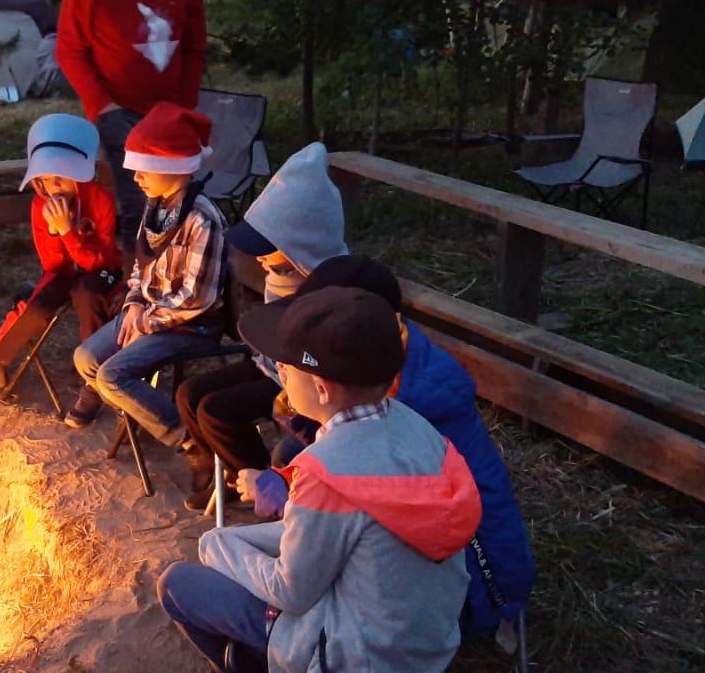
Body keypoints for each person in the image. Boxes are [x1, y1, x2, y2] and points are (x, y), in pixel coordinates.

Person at [158, 286, 483, 672]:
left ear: (322, 389)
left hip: (357, 658)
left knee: (177, 584)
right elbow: (334, 534)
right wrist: (235, 540)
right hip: (422, 644)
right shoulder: (417, 428)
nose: (277, 371)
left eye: (284, 366)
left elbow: (290, 590)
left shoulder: (326, 472)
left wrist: (215, 544)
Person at [238, 255, 537, 639]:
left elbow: (350, 505)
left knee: (297, 574)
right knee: (288, 458)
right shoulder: (395, 367)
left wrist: (281, 494)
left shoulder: (412, 411)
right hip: (463, 560)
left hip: (474, 588)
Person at [174, 143, 347, 510]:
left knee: (216, 411)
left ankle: (263, 484)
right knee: (189, 394)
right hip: (270, 364)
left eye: (268, 247)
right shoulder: (280, 272)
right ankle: (226, 473)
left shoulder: (329, 285)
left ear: (301, 244)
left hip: (300, 381)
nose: (259, 256)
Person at [69, 102, 224, 444]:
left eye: (144, 170)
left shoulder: (201, 220)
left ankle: (189, 440)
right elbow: (141, 266)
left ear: (174, 167)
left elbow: (196, 298)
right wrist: (135, 304)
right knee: (85, 358)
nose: (136, 178)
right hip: (149, 312)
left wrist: (144, 323)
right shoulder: (155, 207)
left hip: (190, 325)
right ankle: (142, 412)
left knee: (112, 376)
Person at [56, 0, 207, 254]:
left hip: (171, 114)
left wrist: (185, 105)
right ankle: (138, 279)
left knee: (180, 204)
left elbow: (194, 44)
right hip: (119, 111)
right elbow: (69, 48)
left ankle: (177, 275)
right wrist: (103, 106)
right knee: (139, 210)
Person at [0, 114, 122, 396]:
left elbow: (100, 261)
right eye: (46, 181)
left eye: (61, 179)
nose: (54, 188)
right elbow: (53, 265)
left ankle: (95, 372)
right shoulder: (40, 206)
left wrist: (69, 232)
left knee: (88, 295)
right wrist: (55, 231)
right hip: (64, 271)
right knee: (40, 303)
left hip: (102, 271)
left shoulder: (100, 200)